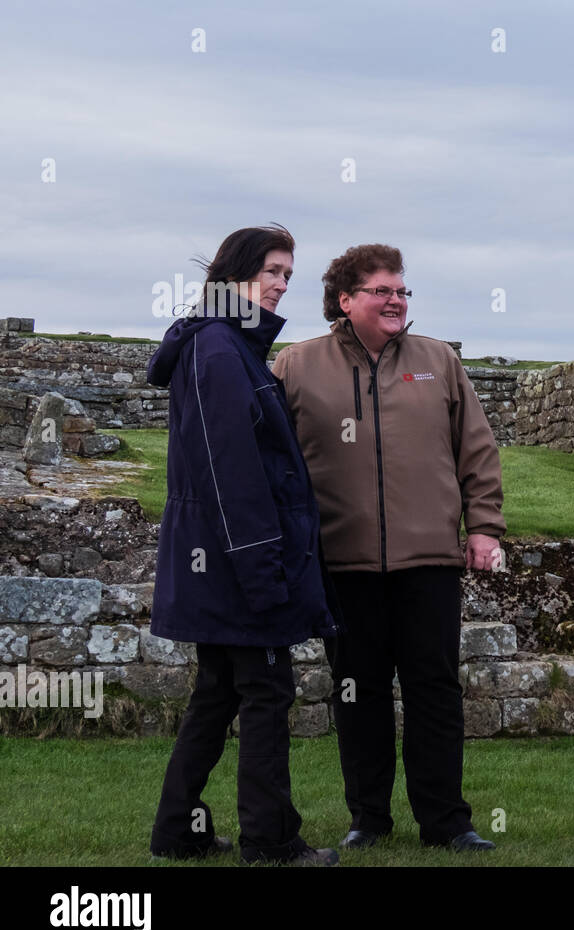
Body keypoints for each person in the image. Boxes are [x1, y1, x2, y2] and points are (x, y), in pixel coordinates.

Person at [271, 243, 505, 852]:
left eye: (402, 290)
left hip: (429, 560)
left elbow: (475, 448)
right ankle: (368, 820)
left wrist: (484, 528)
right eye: (381, 290)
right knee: (358, 692)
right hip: (341, 564)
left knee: (435, 688)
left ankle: (447, 823)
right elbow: (267, 458)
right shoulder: (296, 365)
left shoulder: (439, 362)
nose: (396, 299)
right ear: (345, 301)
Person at [147, 224, 341, 865]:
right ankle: (271, 839)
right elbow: (232, 475)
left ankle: (179, 831)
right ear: (234, 279)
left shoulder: (228, 346)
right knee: (265, 691)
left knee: (218, 693)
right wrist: (262, 574)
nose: (283, 285)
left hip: (222, 560)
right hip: (236, 561)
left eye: (289, 274)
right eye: (272, 272)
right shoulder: (221, 352)